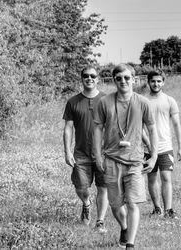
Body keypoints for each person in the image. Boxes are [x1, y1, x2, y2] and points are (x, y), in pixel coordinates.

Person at [94, 63, 158, 250]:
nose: (123, 81)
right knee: (115, 205)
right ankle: (124, 227)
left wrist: (153, 156)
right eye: (119, 78)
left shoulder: (143, 102)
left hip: (135, 161)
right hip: (112, 160)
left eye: (127, 78)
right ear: (114, 80)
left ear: (134, 78)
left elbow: (152, 129)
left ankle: (130, 243)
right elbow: (97, 129)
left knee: (132, 203)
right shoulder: (104, 102)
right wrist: (98, 155)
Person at [63, 66, 109, 232]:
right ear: (81, 79)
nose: (89, 78)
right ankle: (87, 204)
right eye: (86, 76)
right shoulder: (73, 102)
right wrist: (67, 151)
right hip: (81, 153)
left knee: (103, 187)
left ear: (98, 79)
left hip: (104, 154)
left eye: (92, 76)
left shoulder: (107, 100)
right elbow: (68, 127)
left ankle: (100, 221)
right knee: (81, 187)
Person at [144, 69, 181, 218]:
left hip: (166, 147)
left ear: (163, 82)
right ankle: (157, 208)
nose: (156, 83)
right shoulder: (143, 101)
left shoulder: (169, 100)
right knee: (152, 178)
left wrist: (180, 147)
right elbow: (139, 126)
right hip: (147, 148)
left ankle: (168, 210)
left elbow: (176, 125)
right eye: (153, 81)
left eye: (159, 81)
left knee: (166, 178)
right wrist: (146, 144)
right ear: (148, 82)